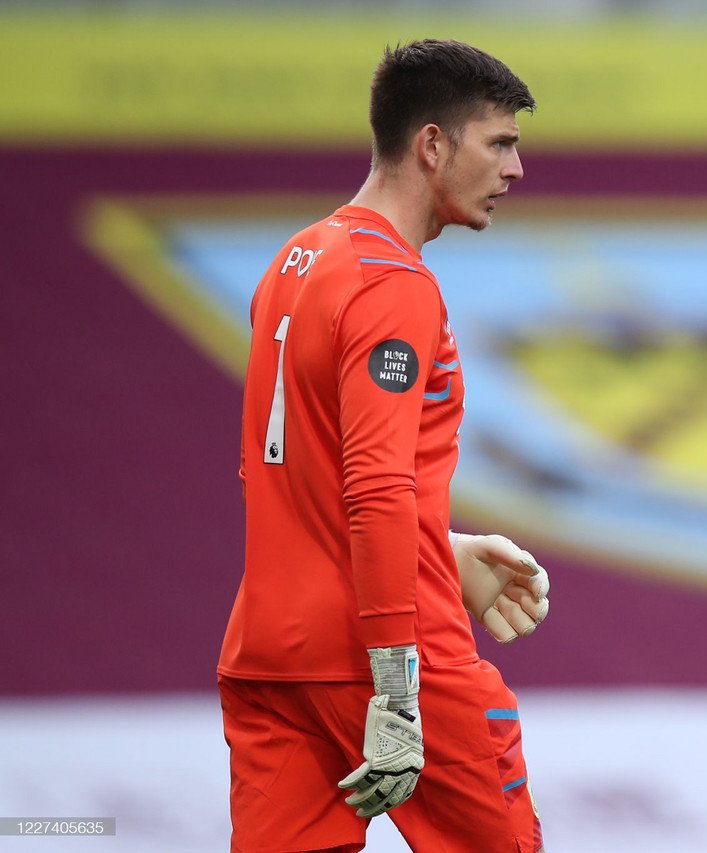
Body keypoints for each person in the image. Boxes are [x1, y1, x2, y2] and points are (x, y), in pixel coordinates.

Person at [217, 39, 548, 852]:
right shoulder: (392, 283)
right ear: (432, 144)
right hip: (385, 660)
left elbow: (292, 473)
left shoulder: (295, 261)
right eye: (499, 142)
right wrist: (398, 687)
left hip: (270, 659)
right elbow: (374, 488)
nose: (516, 168)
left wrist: (440, 547)